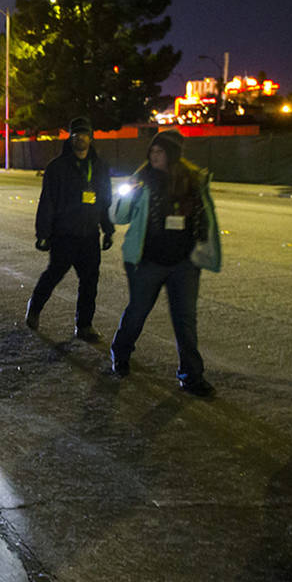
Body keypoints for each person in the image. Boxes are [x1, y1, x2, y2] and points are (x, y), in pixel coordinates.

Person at [108, 129, 221, 397]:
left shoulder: (193, 180)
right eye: (152, 151)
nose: (153, 156)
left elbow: (206, 216)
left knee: (185, 320)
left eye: (160, 151)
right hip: (147, 261)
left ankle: (191, 375)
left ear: (172, 154)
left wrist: (204, 246)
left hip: (184, 263)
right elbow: (117, 216)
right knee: (137, 312)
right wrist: (126, 195)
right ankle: (121, 353)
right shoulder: (141, 180)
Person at [26, 116, 115, 342]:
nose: (80, 139)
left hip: (89, 236)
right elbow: (47, 201)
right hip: (64, 234)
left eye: (84, 135)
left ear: (91, 137)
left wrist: (108, 229)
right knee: (54, 274)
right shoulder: (57, 168)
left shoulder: (100, 167)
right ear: (70, 137)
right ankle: (35, 308)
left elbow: (105, 200)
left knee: (89, 282)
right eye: (76, 135)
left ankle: (84, 325)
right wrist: (43, 234)